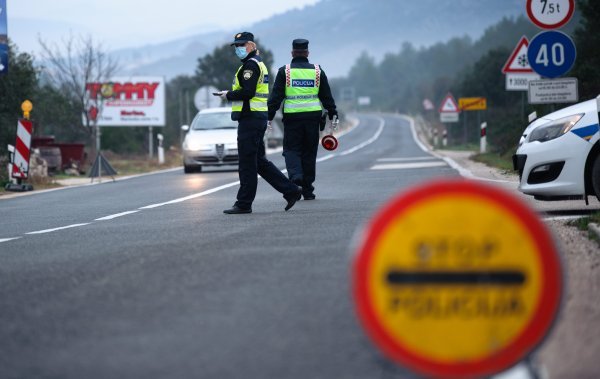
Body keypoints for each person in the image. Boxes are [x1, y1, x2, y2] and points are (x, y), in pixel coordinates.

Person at [216, 32, 302, 214]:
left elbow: (248, 92)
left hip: (251, 119)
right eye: (236, 46)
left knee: (247, 163)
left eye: (242, 45)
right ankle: (291, 190)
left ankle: (244, 203)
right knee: (259, 162)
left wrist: (228, 95)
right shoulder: (257, 64)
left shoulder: (251, 66)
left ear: (251, 45)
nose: (238, 49)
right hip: (256, 117)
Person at [268, 38, 338, 200]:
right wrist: (333, 113)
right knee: (309, 152)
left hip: (292, 118)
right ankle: (307, 190)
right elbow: (326, 96)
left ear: (292, 53)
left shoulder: (284, 72)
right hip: (313, 118)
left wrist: (268, 117)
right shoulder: (317, 71)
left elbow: (275, 98)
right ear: (307, 53)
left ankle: (295, 177)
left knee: (292, 150)